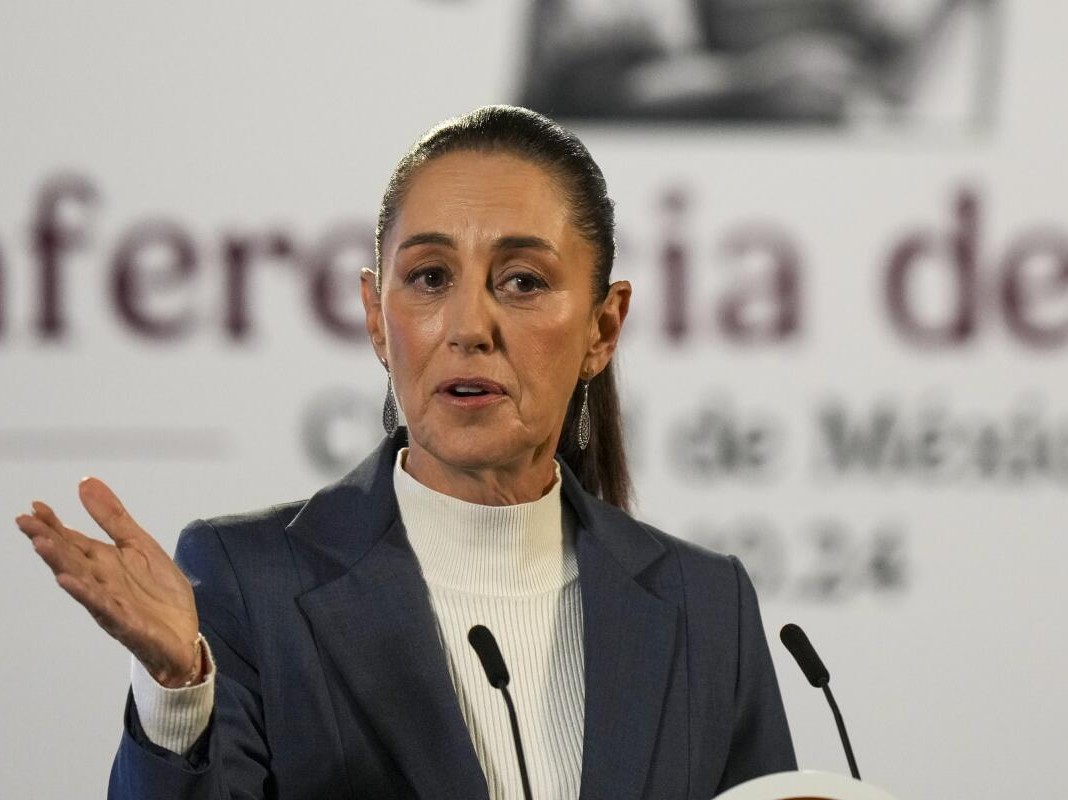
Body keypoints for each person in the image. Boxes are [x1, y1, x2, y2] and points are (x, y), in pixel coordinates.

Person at [16, 105, 796, 799]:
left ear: (603, 327)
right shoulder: (250, 585)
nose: (469, 327)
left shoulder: (707, 608)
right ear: (375, 316)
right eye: (428, 277)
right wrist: (178, 692)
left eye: (522, 282)